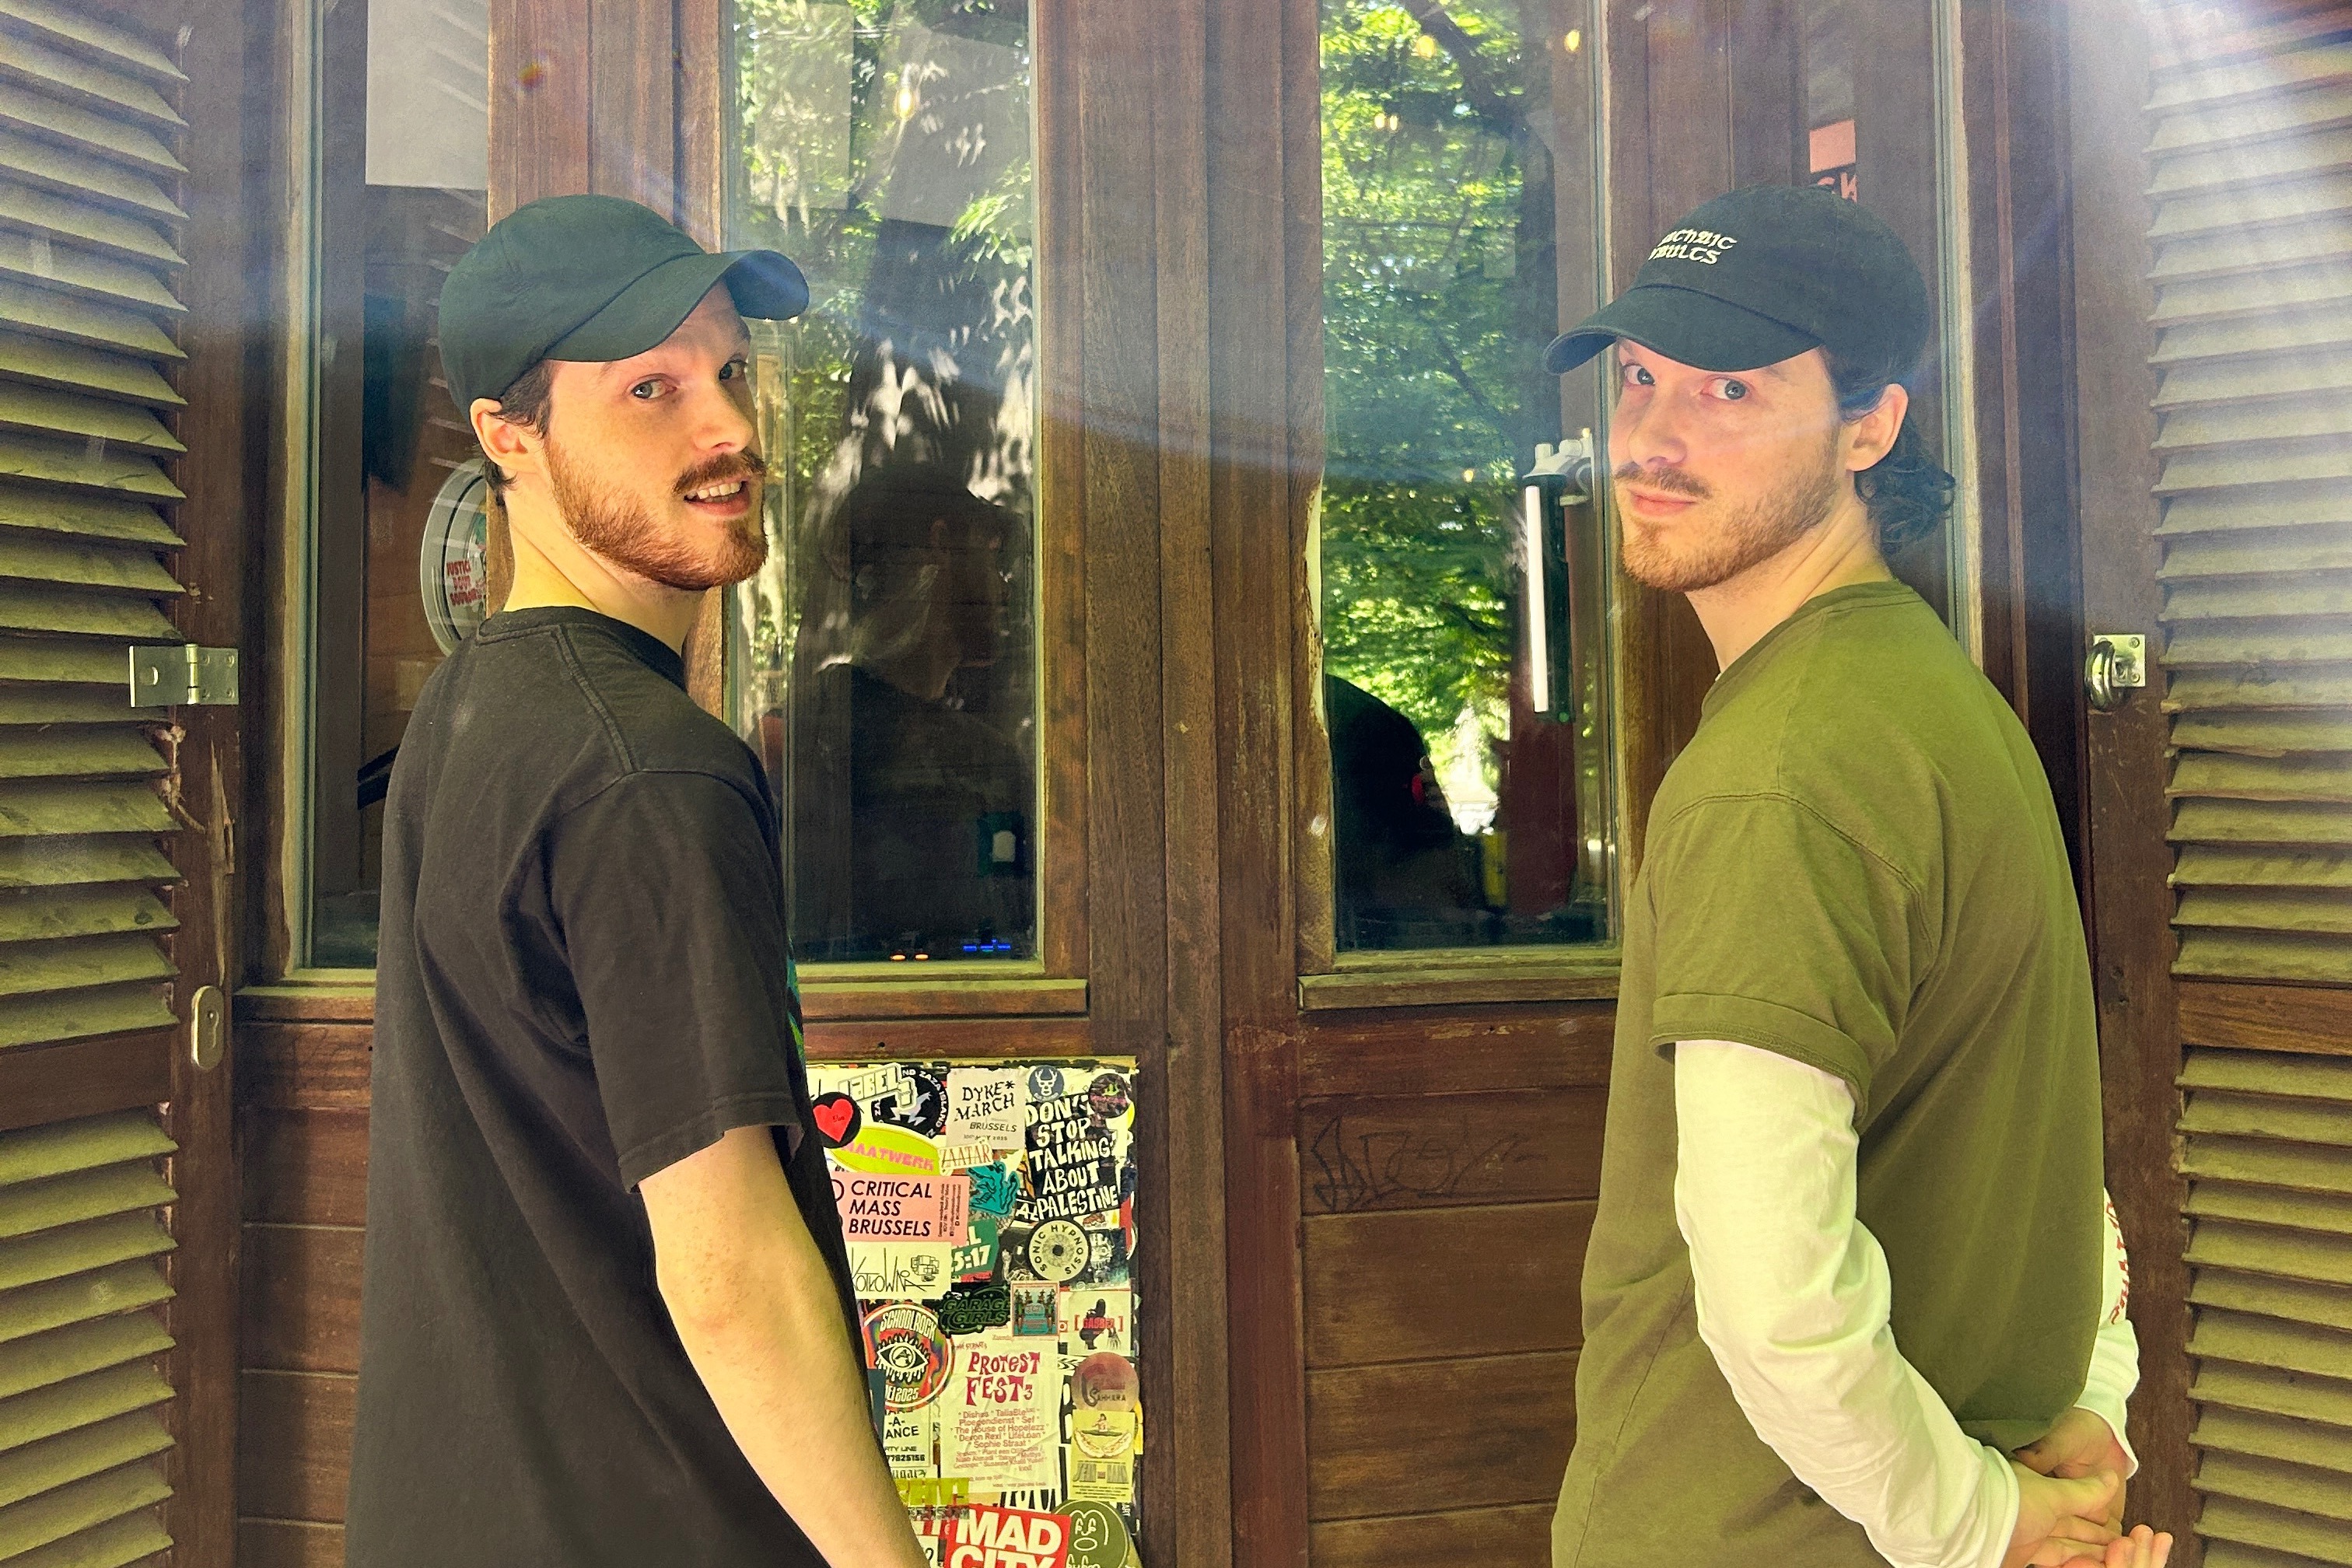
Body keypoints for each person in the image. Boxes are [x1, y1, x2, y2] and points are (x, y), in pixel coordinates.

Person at [1541, 184, 2173, 1568]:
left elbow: (1775, 1292)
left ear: (1872, 426)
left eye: (1731, 388)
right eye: (1638, 376)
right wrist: (2085, 1408)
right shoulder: (1937, 704)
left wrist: (1987, 1524)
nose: (1652, 434)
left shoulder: (1786, 770)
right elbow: (2051, 1156)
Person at [344, 194, 926, 1568]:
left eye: (730, 370)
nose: (726, 428)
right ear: (509, 437)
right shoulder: (648, 771)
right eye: (649, 389)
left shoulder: (470, 711)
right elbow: (730, 1276)